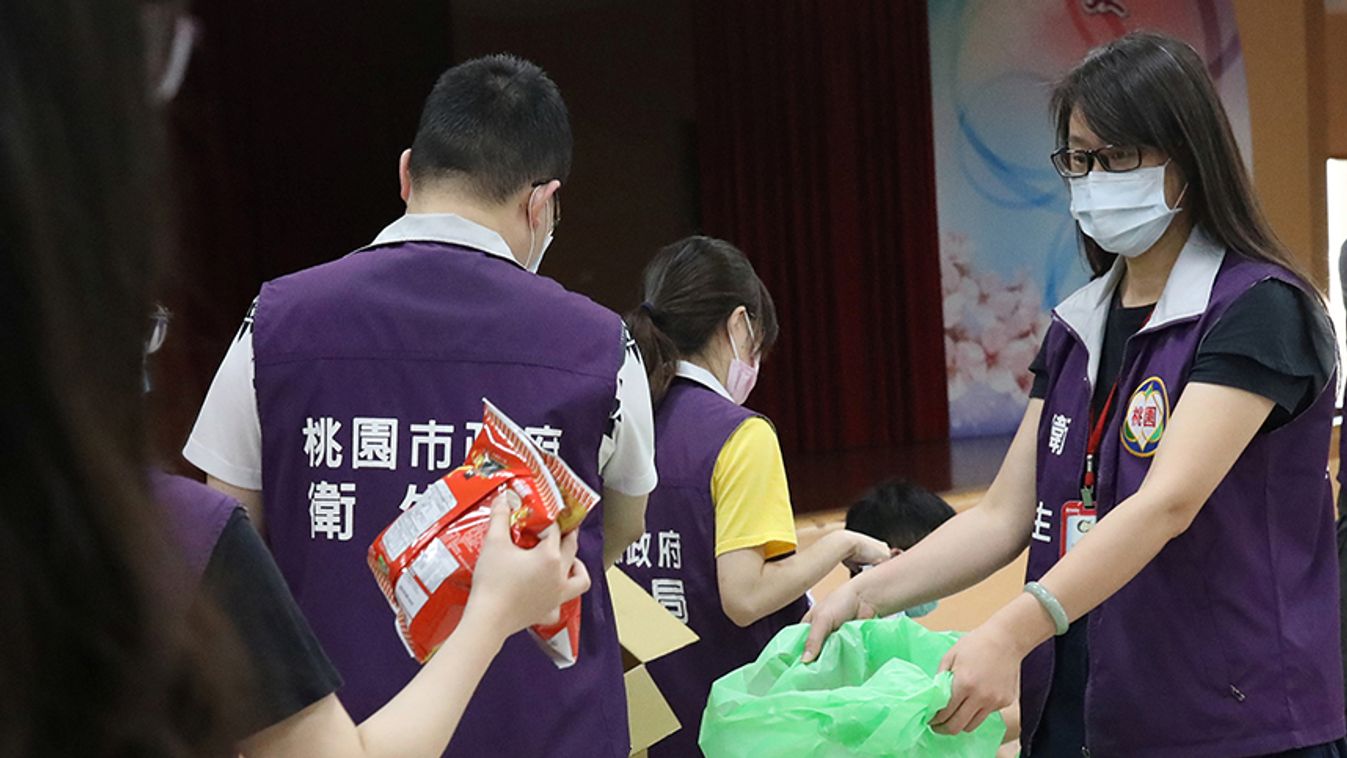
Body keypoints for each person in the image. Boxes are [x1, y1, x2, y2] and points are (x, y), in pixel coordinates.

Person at [804, 32, 1345, 757]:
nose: (1091, 180)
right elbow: (1002, 515)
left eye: (1116, 156)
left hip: (1232, 721)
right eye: (1077, 159)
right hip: (1087, 710)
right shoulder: (1078, 324)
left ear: (1186, 157)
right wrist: (865, 597)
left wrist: (1007, 628)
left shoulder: (1258, 309)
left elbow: (1167, 502)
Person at [183, 54, 657, 756]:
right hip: (546, 731)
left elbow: (228, 543)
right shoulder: (602, 345)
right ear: (541, 203)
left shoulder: (274, 322)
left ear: (407, 174)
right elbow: (619, 528)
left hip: (332, 733)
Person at [621, 236, 891, 757]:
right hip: (731, 725)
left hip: (645, 725)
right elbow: (744, 598)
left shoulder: (627, 422)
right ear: (741, 323)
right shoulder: (740, 435)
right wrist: (839, 543)